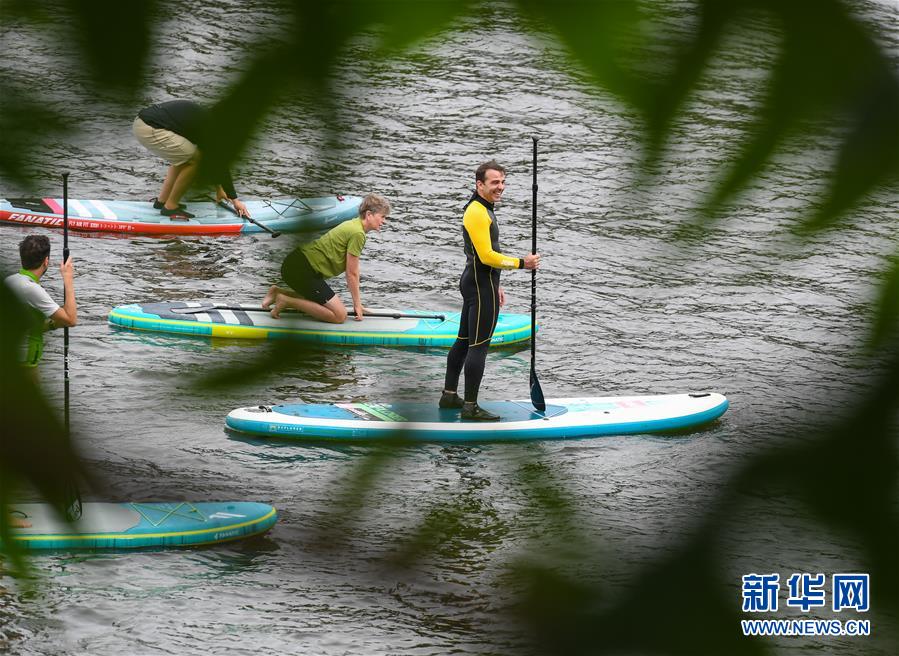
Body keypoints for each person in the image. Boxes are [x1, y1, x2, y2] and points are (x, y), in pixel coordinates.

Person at [440, 160, 540, 421]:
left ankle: (450, 395)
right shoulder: (476, 211)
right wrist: (522, 263)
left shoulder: (483, 208)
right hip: (479, 285)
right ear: (479, 184)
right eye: (495, 182)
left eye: (503, 182)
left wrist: (496, 284)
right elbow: (486, 256)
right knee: (478, 347)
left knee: (463, 341)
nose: (501, 187)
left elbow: (481, 256)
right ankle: (470, 407)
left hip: (478, 283)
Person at [262, 193, 390, 323]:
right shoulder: (358, 233)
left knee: (320, 302)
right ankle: (286, 301)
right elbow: (352, 273)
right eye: (382, 216)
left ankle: (277, 292)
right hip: (302, 269)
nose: (384, 221)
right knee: (340, 315)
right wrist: (357, 304)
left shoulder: (354, 225)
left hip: (296, 264)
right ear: (369, 215)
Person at [132, 99, 251, 220]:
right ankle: (170, 207)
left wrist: (219, 189)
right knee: (195, 161)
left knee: (185, 158)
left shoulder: (206, 118)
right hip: (151, 127)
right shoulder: (212, 126)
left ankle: (162, 202)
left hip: (143, 123)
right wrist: (235, 200)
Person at [4, 235, 77, 370]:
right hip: (25, 359)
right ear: (46, 261)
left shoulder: (10, 281)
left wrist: (52, 325)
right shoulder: (31, 289)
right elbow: (71, 319)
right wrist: (68, 278)